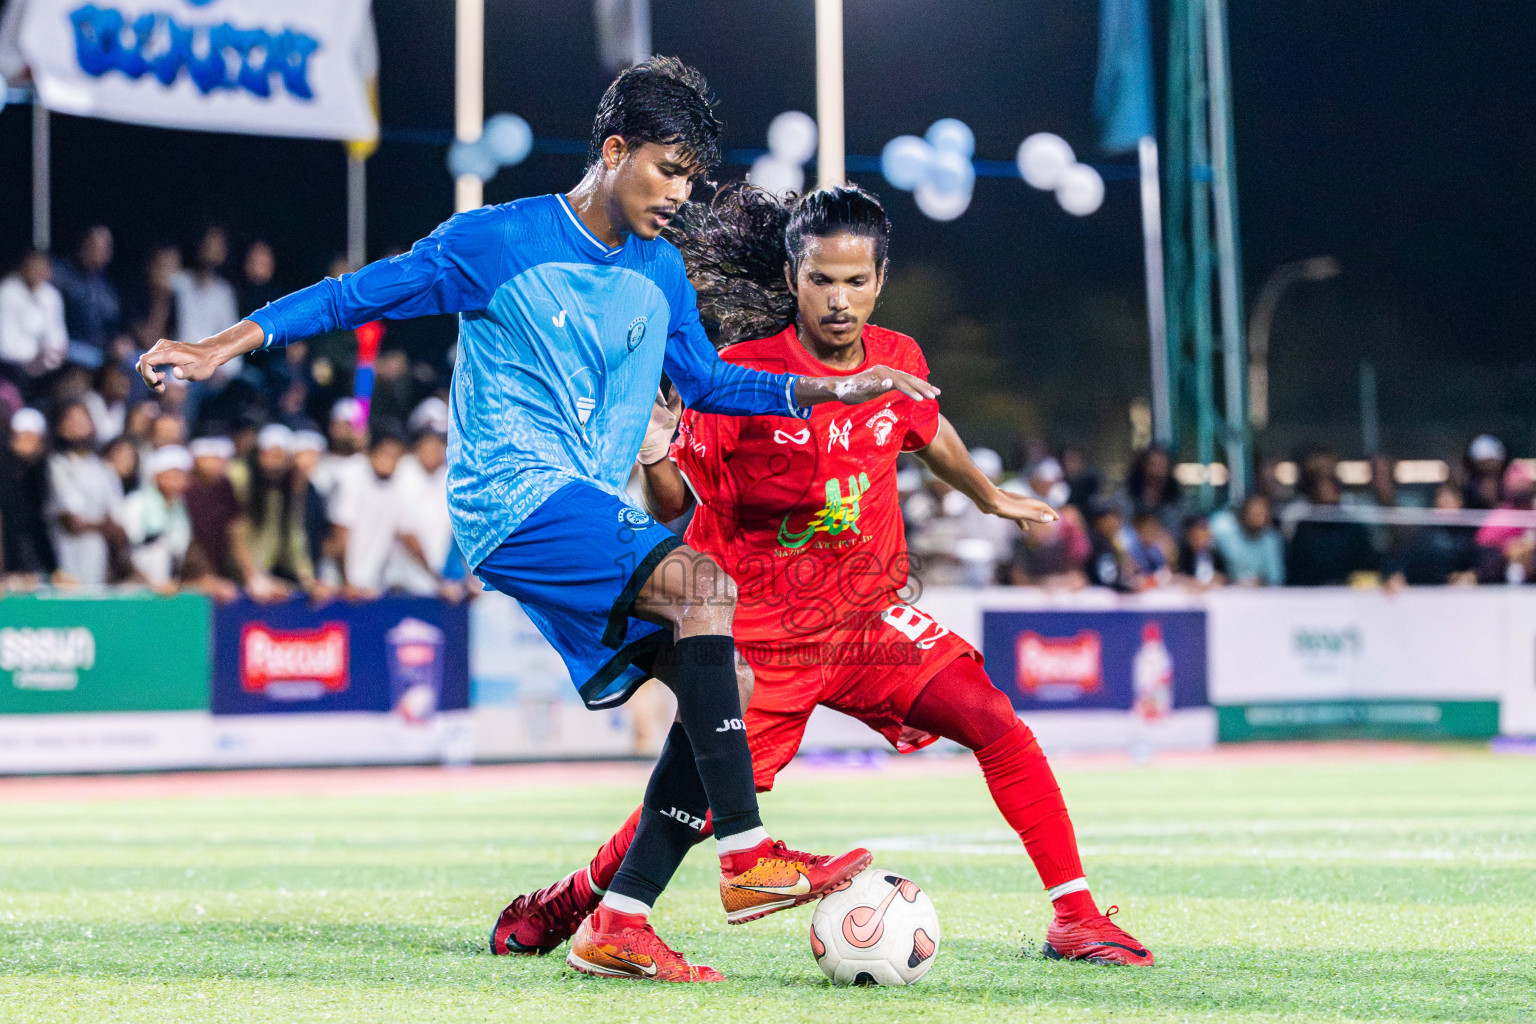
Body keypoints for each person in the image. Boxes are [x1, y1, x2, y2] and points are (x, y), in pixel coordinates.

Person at [136, 58, 930, 983]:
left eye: (689, 178)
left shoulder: (661, 270)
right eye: (666, 170)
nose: (677, 194)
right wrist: (218, 345)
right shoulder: (498, 240)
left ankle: (617, 918)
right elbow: (355, 296)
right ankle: (747, 855)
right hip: (510, 496)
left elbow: (710, 383)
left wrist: (834, 384)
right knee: (704, 587)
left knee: (728, 691)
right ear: (614, 150)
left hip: (584, 510)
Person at [492, 184, 1152, 967]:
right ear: (792, 276)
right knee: (691, 802)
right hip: (763, 637)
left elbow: (927, 428)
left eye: (856, 281)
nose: (840, 301)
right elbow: (678, 511)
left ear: (879, 280)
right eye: (822, 280)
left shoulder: (899, 358)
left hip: (867, 620)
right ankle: (578, 901)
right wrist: (656, 453)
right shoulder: (738, 378)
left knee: (995, 720)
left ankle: (1075, 915)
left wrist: (987, 494)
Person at [47, 400, 127, 585]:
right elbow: (71, 522)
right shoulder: (56, 465)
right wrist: (104, 526)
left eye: (83, 418)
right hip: (64, 556)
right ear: (60, 427)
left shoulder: (104, 469)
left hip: (99, 561)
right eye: (70, 419)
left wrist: (105, 527)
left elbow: (117, 521)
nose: (78, 424)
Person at [122, 444, 194, 588]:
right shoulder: (137, 502)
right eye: (171, 474)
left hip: (168, 587)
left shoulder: (181, 508)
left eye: (181, 475)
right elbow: (125, 551)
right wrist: (152, 583)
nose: (177, 480)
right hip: (136, 586)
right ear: (156, 475)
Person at [0, 407, 58, 584]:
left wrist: (54, 568)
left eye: (30, 437)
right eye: (21, 437)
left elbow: (35, 523)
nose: (24, 443)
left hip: (19, 566)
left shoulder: (38, 474)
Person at [51, 225, 123, 366]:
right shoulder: (60, 276)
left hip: (101, 349)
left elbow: (113, 323)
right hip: (69, 345)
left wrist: (118, 341)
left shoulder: (106, 285)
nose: (102, 252)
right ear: (84, 245)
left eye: (106, 247)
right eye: (97, 247)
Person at [0, 250, 68, 394]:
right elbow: (6, 344)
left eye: (42, 267)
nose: (38, 271)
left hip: (45, 367)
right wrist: (34, 355)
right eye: (34, 266)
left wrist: (46, 357)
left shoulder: (51, 296)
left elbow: (58, 336)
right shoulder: (7, 293)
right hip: (13, 367)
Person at [1210, 493, 1285, 586]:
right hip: (1227, 591)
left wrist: (1259, 582)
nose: (1258, 519)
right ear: (1243, 513)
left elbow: (1276, 578)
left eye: (1261, 514)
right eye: (1253, 513)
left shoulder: (1272, 540)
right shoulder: (1224, 532)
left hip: (1261, 595)